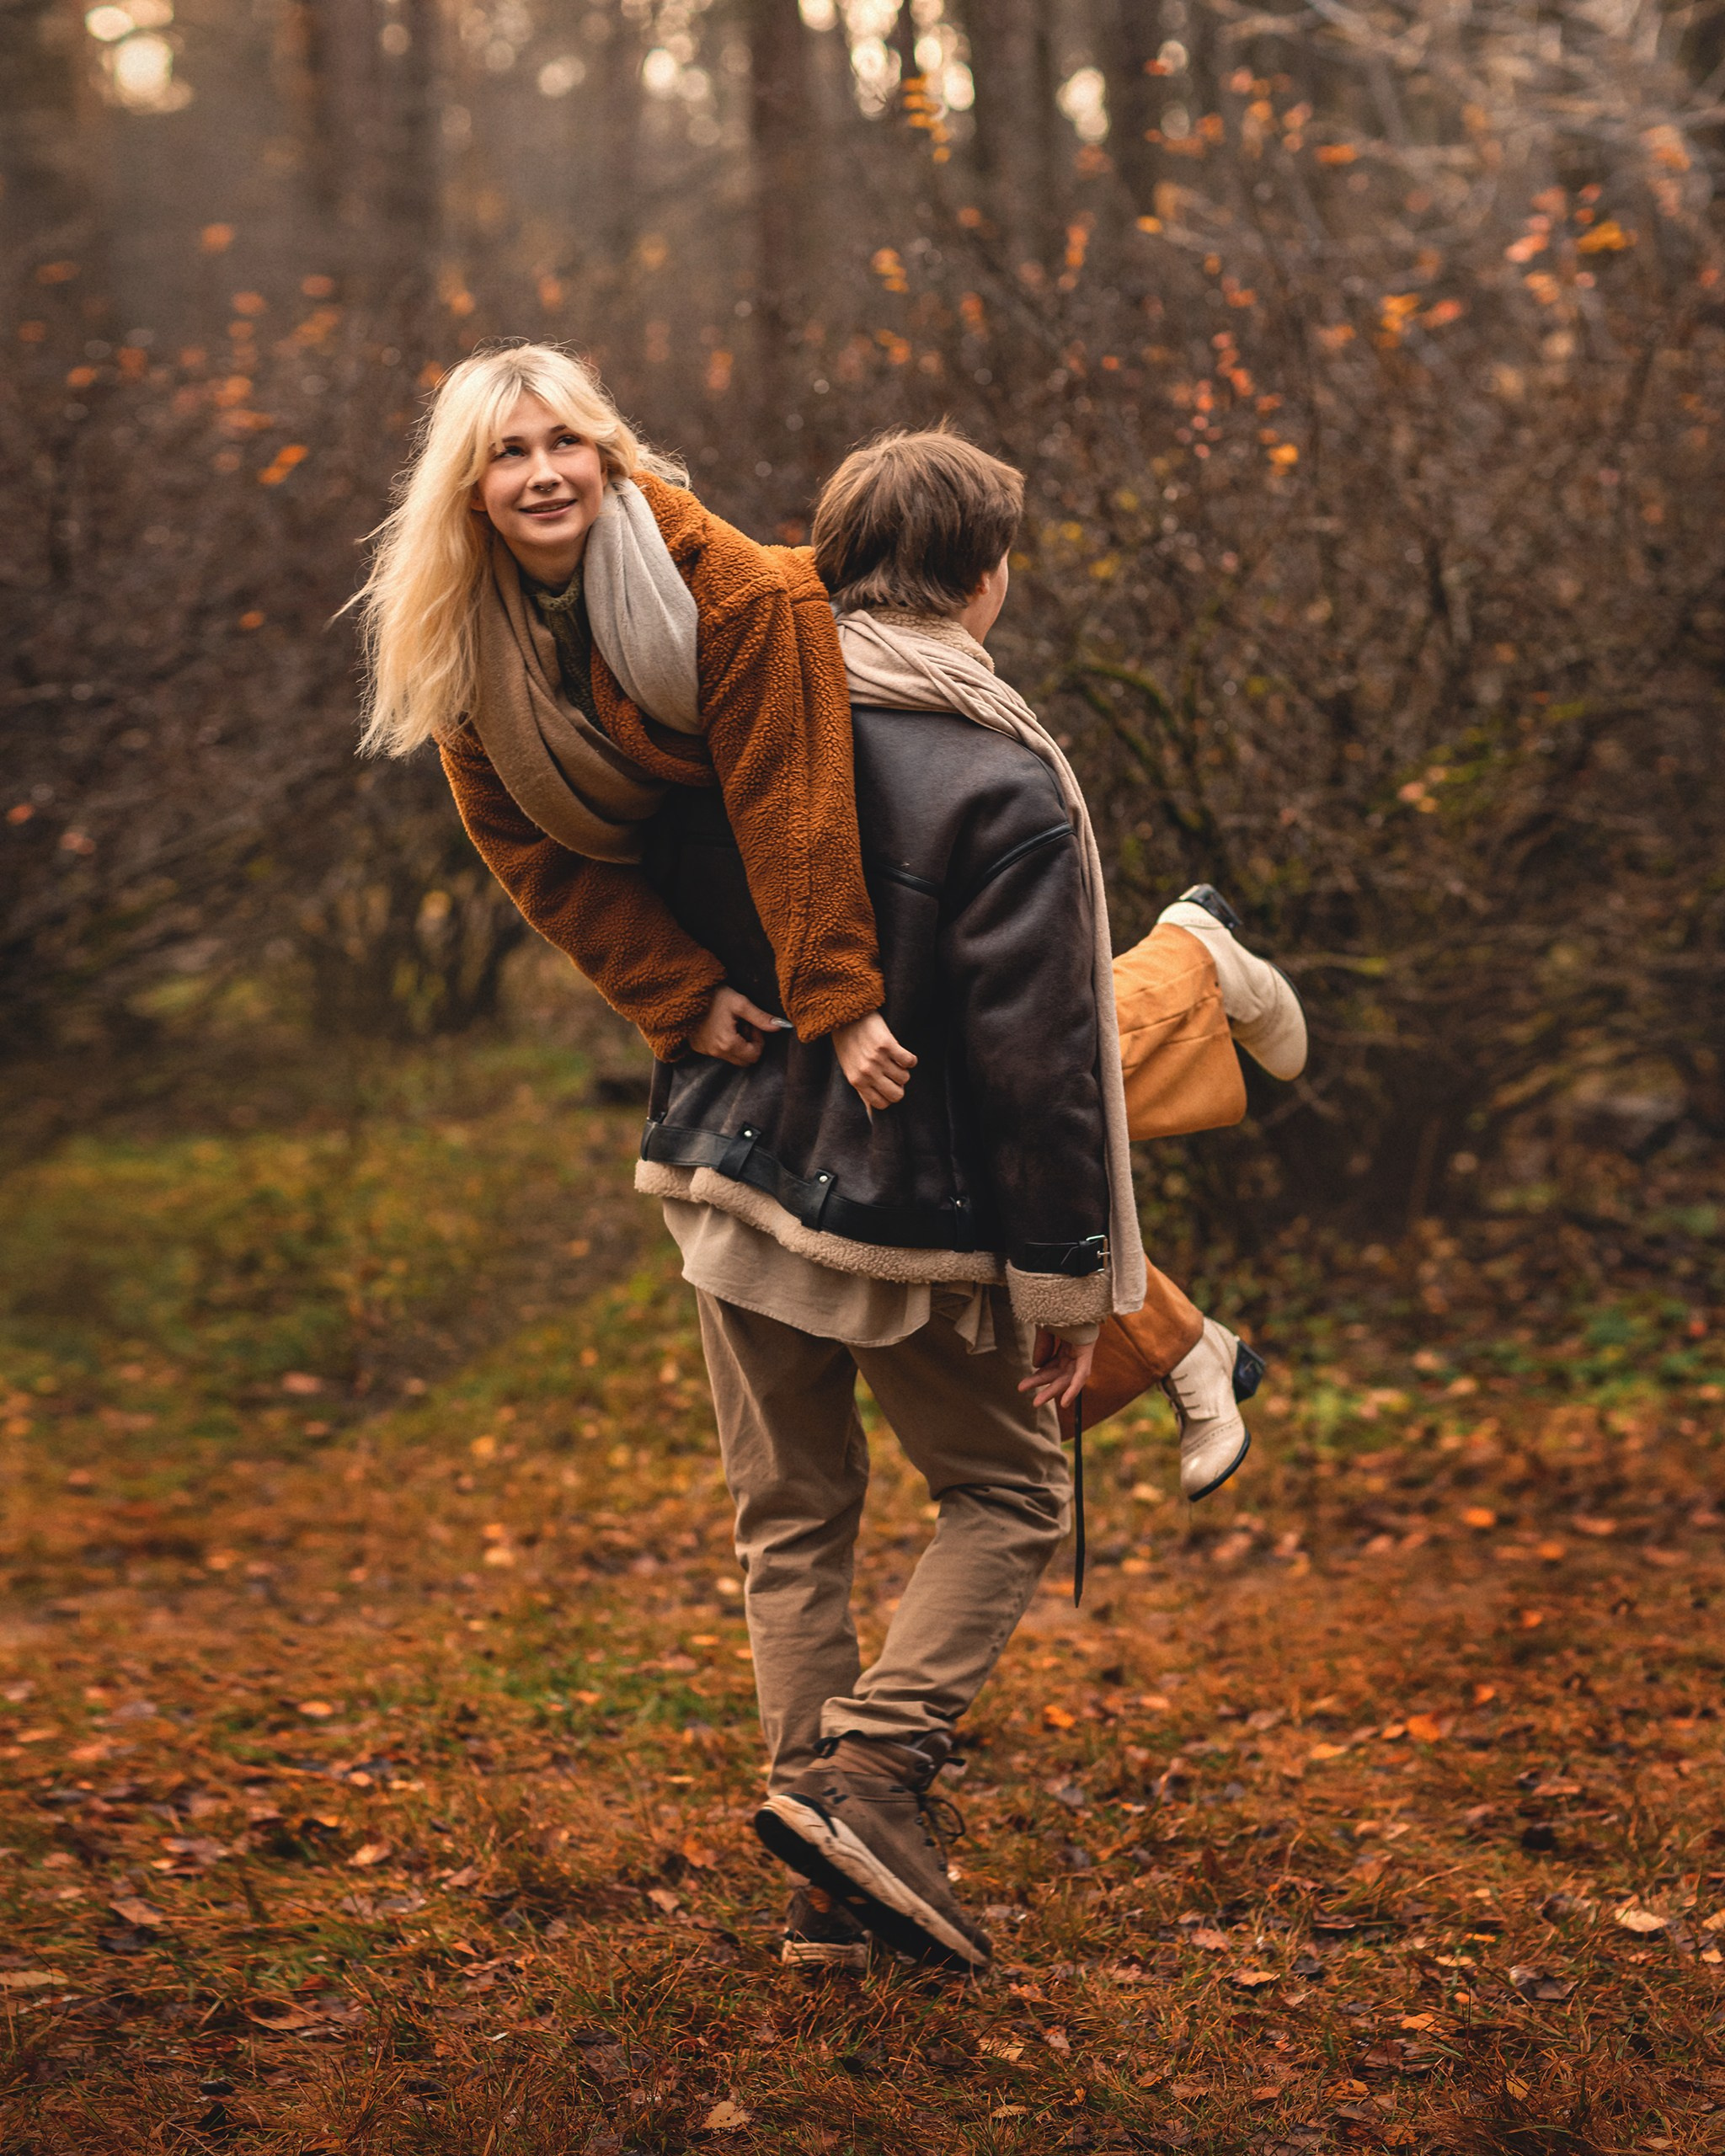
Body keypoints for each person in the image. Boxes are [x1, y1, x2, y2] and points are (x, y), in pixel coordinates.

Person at [635, 426, 1153, 1973]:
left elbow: (651, 918)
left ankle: (825, 1883)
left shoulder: (725, 727)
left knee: (788, 1518)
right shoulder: (1003, 777)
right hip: (897, 1223)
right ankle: (870, 1777)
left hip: (726, 1178)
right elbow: (1041, 1063)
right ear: (985, 580)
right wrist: (1067, 1287)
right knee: (1007, 1492)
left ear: (835, 559)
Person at [350, 339, 911, 1107]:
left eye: (566, 443)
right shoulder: (462, 650)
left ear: (605, 459)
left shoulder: (727, 588)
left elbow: (787, 798)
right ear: (473, 489)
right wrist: (676, 993)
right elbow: (535, 855)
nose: (544, 474)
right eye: (509, 454)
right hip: (701, 908)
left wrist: (839, 1002)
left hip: (855, 873)